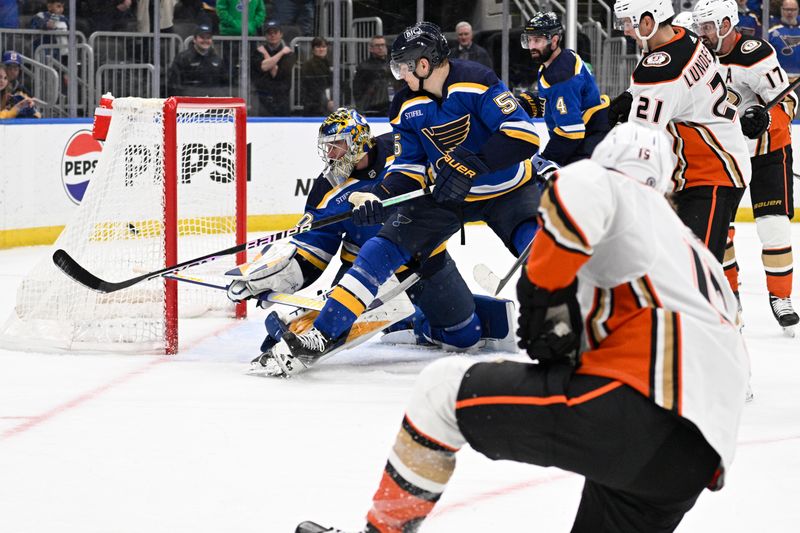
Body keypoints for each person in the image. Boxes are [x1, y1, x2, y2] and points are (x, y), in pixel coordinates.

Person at [296, 122, 750, 533]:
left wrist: (542, 304)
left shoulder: (597, 180)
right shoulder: (694, 253)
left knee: (441, 392)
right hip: (696, 456)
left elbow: (565, 236)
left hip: (635, 406)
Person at [262, 22, 542, 376]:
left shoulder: (477, 80)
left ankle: (573, 324)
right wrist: (378, 195)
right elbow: (409, 164)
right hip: (446, 196)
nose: (400, 77)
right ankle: (322, 334)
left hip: (508, 190)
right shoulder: (405, 103)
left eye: (403, 68)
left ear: (423, 65)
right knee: (380, 248)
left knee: (539, 246)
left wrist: (474, 164)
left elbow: (523, 136)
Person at [229, 108, 515, 371]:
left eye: (336, 144)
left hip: (424, 260)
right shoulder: (326, 189)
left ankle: (413, 321)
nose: (330, 153)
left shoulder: (402, 149)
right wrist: (270, 277)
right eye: (327, 146)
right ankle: (310, 330)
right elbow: (313, 251)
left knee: (464, 338)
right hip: (362, 271)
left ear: (358, 142)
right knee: (336, 321)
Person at [609, 0, 752, 292]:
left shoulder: (661, 69)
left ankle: (719, 328)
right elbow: (661, 95)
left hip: (712, 173)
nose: (625, 31)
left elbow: (641, 140)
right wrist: (626, 100)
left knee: (693, 276)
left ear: (647, 22)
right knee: (676, 268)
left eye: (627, 22)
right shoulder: (683, 37)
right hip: (701, 170)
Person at [694, 0, 799, 335]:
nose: (703, 33)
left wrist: (767, 119)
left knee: (774, 227)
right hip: (725, 155)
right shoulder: (699, 57)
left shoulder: (755, 53)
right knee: (719, 229)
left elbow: (789, 100)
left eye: (708, 26)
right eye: (701, 27)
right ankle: (729, 296)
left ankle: (781, 298)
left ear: (727, 23)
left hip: (769, 152)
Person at [518, 11, 610, 167]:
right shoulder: (559, 61)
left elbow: (571, 131)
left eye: (537, 40)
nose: (532, 46)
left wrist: (545, 160)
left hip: (586, 148)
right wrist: (528, 102)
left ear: (554, 41)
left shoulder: (561, 77)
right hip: (587, 138)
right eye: (529, 40)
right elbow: (557, 102)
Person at [167, 23, 229, 97]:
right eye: (202, 37)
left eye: (208, 38)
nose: (205, 40)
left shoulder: (217, 60)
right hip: (189, 102)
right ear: (194, 39)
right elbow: (174, 84)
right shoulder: (183, 58)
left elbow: (224, 84)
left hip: (212, 102)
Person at [251, 19, 295, 116]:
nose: (272, 35)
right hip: (263, 100)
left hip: (282, 100)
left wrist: (269, 54)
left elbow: (275, 72)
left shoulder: (288, 53)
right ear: (265, 36)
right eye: (269, 33)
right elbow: (263, 67)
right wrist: (280, 54)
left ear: (281, 34)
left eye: (275, 32)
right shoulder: (257, 52)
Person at [352, 35, 398, 117]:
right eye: (377, 45)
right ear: (371, 48)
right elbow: (357, 90)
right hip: (373, 109)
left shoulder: (392, 64)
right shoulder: (364, 66)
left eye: (383, 45)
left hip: (393, 107)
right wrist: (360, 110)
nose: (380, 48)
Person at [300, 36, 334, 116]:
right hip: (313, 107)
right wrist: (327, 101)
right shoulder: (308, 65)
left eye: (323, 46)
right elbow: (313, 87)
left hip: (327, 106)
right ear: (313, 49)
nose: (321, 49)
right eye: (318, 47)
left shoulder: (329, 63)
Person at [768, 0, 800, 80]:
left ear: (798, 10)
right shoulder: (770, 32)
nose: (790, 12)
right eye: (787, 9)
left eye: (793, 9)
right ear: (781, 9)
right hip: (780, 80)